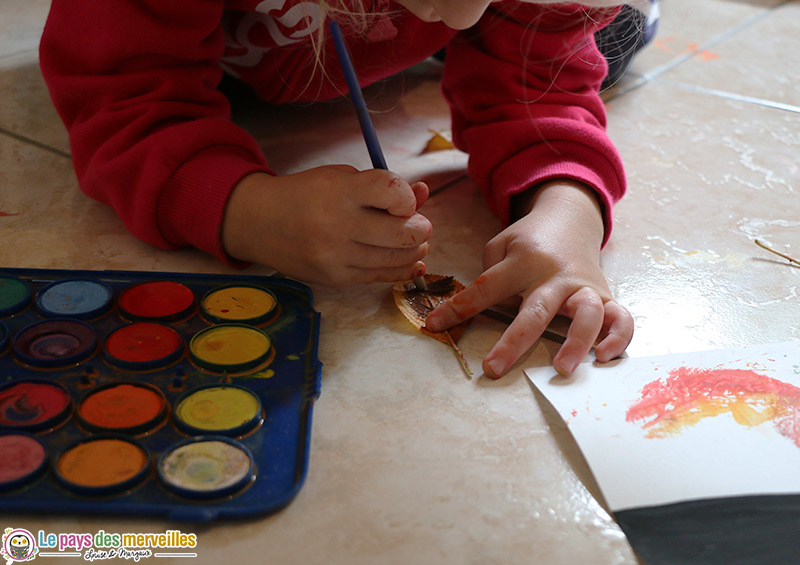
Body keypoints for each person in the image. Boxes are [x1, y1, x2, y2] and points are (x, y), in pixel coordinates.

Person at [39, 1, 655, 378]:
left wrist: (566, 209)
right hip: (205, 51)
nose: (471, 14)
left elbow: (538, 86)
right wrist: (249, 212)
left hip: (364, 51)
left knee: (613, 44)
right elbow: (124, 105)